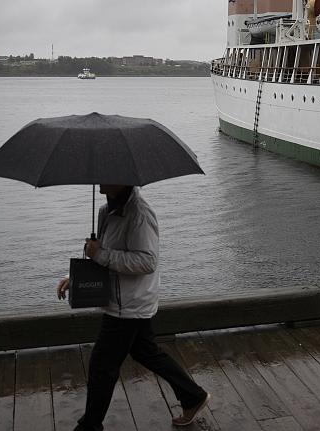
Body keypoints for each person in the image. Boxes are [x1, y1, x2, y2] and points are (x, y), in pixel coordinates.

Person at [57, 184, 210, 431]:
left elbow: (147, 261)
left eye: (106, 173)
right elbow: (102, 254)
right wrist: (75, 278)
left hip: (128, 304)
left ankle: (90, 426)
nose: (99, 179)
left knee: (101, 365)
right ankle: (193, 396)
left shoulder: (140, 214)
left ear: (122, 178)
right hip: (120, 300)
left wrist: (100, 255)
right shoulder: (107, 210)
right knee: (145, 351)